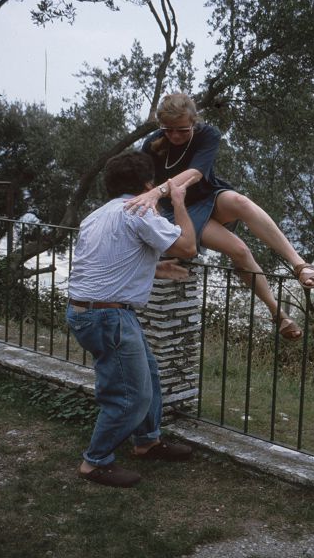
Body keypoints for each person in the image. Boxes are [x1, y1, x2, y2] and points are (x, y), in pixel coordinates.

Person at [124, 93, 314, 341]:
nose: (174, 136)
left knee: (241, 202)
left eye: (182, 130)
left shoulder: (207, 134)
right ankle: (278, 314)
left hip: (210, 196)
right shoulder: (152, 143)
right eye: (168, 130)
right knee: (240, 251)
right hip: (179, 211)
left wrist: (157, 192)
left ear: (193, 122)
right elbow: (143, 183)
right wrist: (151, 203)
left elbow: (195, 173)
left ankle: (300, 264)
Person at [66, 150, 197, 488]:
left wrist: (155, 267)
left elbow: (108, 260)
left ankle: (147, 441)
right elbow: (187, 247)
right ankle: (95, 462)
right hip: (109, 316)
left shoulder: (97, 215)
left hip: (90, 310)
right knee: (130, 395)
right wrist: (178, 202)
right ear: (149, 185)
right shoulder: (139, 209)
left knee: (148, 374)